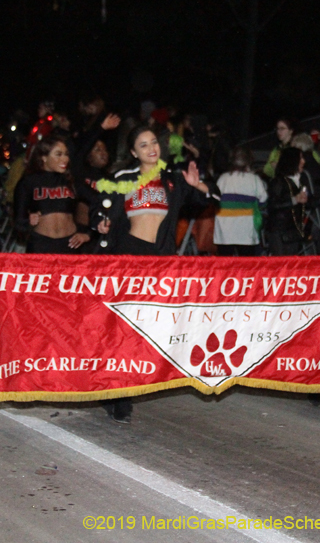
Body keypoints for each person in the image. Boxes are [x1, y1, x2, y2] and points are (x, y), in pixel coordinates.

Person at [92, 125, 219, 422]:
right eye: (143, 144)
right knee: (123, 325)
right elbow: (101, 207)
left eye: (154, 143)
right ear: (134, 152)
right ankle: (116, 392)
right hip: (128, 257)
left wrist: (198, 186)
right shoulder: (122, 178)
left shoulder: (173, 179)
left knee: (147, 327)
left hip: (158, 260)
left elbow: (211, 199)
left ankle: (126, 384)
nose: (151, 148)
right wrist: (101, 223)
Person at [12, 136, 90, 253]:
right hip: (41, 245)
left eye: (66, 154)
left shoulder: (71, 180)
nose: (65, 159)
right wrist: (28, 221)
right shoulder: (28, 182)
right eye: (58, 154)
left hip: (70, 244)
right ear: (44, 157)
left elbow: (98, 202)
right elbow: (18, 221)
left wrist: (88, 234)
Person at [214, 147, 268, 256]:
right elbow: (263, 201)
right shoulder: (254, 180)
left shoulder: (222, 179)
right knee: (246, 266)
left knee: (225, 265)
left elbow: (214, 200)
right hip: (246, 232)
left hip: (224, 232)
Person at [266, 147, 310, 256]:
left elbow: (308, 201)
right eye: (300, 158)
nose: (303, 161)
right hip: (279, 231)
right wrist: (294, 200)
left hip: (292, 231)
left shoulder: (299, 181)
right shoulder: (278, 182)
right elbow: (272, 204)